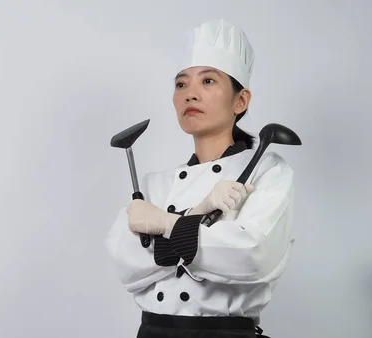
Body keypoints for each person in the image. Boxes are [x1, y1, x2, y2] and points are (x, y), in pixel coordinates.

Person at [105, 19, 295, 338]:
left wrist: (164, 225)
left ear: (241, 100)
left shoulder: (268, 169)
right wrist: (202, 229)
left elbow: (251, 255)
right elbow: (125, 262)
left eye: (208, 81)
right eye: (181, 84)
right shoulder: (154, 183)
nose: (190, 94)